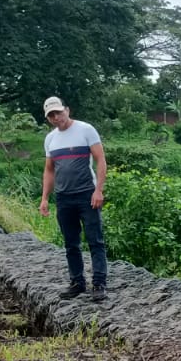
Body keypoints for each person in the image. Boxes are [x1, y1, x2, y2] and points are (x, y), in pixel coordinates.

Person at [38, 96, 108, 302]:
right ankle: (77, 282)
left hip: (87, 193)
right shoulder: (50, 139)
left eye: (58, 112)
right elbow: (49, 170)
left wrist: (98, 190)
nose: (56, 117)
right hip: (63, 197)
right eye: (51, 115)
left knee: (95, 240)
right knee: (71, 243)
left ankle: (99, 283)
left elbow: (100, 160)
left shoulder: (86, 130)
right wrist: (44, 198)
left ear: (67, 110)